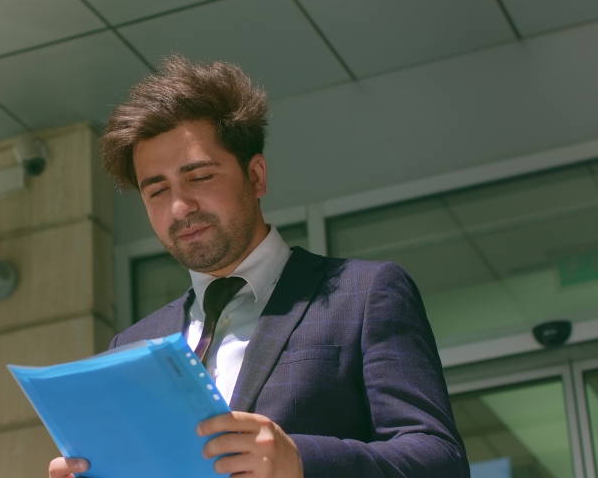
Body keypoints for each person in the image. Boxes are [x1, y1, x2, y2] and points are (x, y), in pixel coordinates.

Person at [49, 55, 468, 478]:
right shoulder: (130, 347)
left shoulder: (365, 293)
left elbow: (440, 460)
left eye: (199, 177)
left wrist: (301, 462)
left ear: (256, 176)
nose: (180, 207)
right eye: (157, 191)